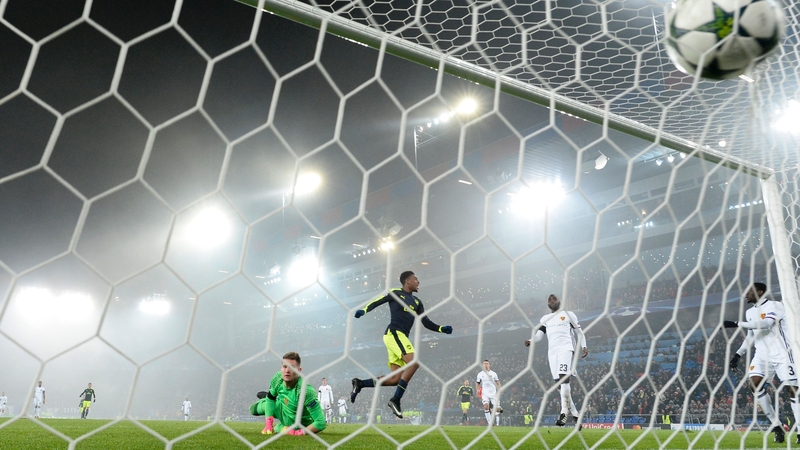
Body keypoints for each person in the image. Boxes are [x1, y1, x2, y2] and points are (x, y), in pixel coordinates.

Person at [350, 271, 453, 419]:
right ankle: (395, 399)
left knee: (395, 379)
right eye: (416, 279)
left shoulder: (417, 302)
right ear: (407, 281)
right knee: (414, 362)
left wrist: (441, 329)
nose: (418, 281)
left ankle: (360, 383)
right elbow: (377, 301)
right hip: (394, 333)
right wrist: (364, 310)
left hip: (400, 337)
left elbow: (426, 322)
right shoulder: (396, 293)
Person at [724, 282, 800, 444]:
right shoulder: (749, 312)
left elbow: (766, 323)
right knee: (754, 385)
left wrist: (736, 324)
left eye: (750, 291)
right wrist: (738, 355)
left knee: (793, 391)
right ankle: (776, 426)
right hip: (762, 356)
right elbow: (751, 336)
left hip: (783, 355)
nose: (746, 294)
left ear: (760, 292)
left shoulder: (775, 305)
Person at [525, 294, 588, 427]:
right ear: (548, 304)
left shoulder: (569, 315)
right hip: (552, 353)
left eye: (554, 299)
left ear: (560, 301)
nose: (552, 300)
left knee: (563, 378)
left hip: (566, 349)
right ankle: (575, 414)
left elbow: (579, 332)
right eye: (549, 299)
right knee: (560, 385)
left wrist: (584, 346)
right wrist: (530, 340)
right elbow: (539, 335)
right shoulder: (545, 318)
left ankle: (564, 412)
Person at [250, 351, 326, 435]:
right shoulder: (277, 378)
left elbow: (320, 422)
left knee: (279, 429)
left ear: (299, 370)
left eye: (291, 367)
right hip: (281, 408)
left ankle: (281, 427)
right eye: (285, 367)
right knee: (253, 409)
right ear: (281, 368)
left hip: (298, 422)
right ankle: (269, 397)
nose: (287, 370)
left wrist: (298, 433)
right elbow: (270, 400)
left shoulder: (306, 391)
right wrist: (268, 423)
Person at [476, 360, 502, 426]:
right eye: (484, 364)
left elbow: (498, 383)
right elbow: (477, 383)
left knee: (498, 410)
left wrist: (499, 390)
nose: (486, 365)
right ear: (483, 365)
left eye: (487, 364)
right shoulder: (480, 374)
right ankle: (490, 423)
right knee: (486, 406)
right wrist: (478, 389)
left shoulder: (494, 374)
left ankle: (497, 409)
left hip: (493, 393)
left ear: (489, 365)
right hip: (485, 393)